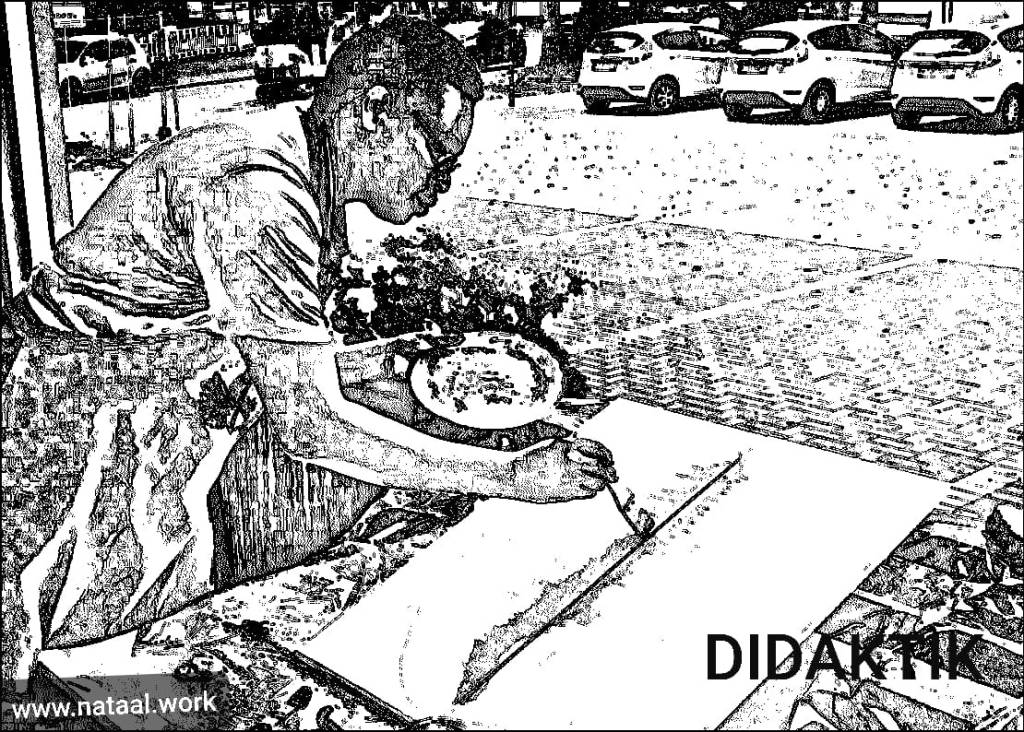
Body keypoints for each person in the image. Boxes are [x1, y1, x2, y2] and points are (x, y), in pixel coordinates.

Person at [0, 17, 616, 690]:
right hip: (66, 427)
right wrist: (511, 474)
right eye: (439, 154)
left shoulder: (300, 168)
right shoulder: (259, 190)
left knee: (125, 652)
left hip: (135, 416)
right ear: (375, 111)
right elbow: (309, 425)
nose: (445, 181)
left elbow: (265, 354)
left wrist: (384, 365)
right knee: (62, 664)